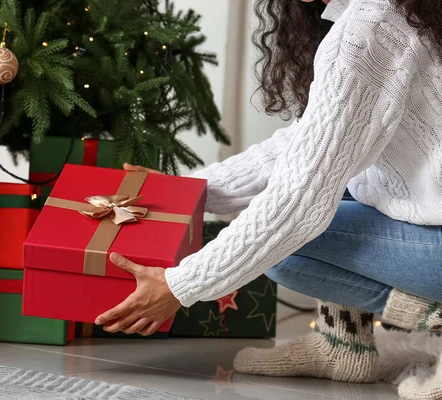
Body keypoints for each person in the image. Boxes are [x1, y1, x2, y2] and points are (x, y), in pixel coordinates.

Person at [95, 0, 442, 398]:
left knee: (283, 242)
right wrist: (187, 190)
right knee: (347, 178)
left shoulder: (371, 27)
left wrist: (180, 285)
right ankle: (341, 345)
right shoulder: (400, 12)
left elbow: (299, 198)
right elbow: (306, 143)